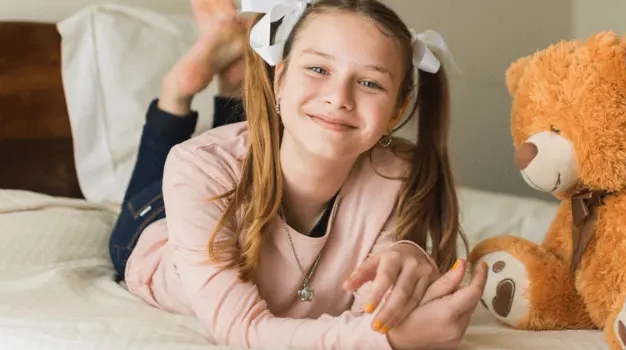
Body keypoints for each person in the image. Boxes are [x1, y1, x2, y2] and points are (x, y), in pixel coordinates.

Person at [108, 0, 488, 348]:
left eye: (370, 83)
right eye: (318, 69)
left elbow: (364, 316)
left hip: (247, 165)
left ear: (396, 110)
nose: (339, 97)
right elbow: (242, 329)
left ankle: (230, 79)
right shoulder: (198, 167)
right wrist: (390, 341)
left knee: (255, 142)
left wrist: (406, 251)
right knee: (193, 167)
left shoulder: (397, 175)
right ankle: (177, 93)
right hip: (153, 231)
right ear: (280, 78)